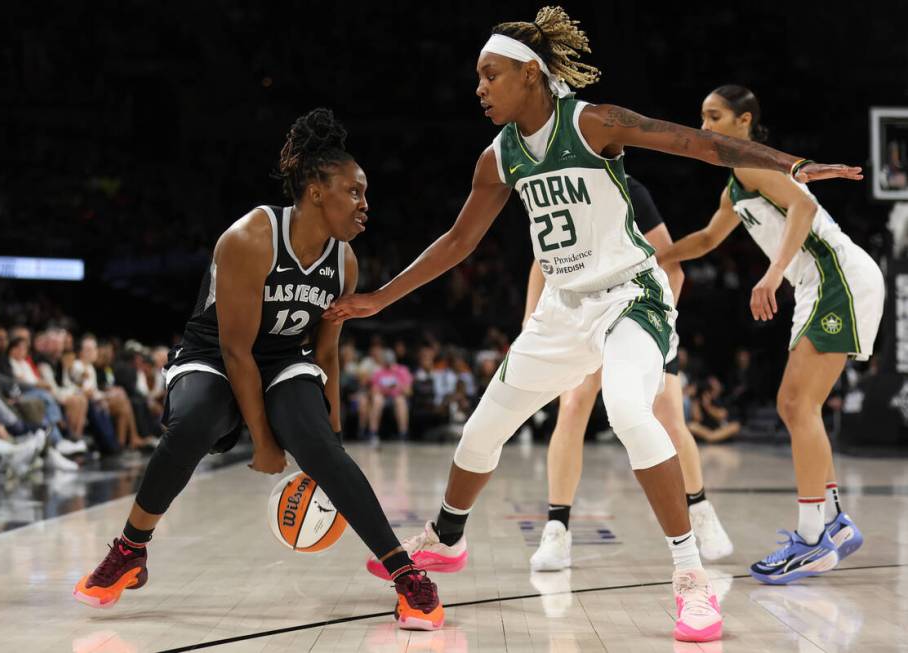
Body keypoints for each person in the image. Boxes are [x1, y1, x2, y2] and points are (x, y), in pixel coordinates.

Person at [326, 7, 859, 642]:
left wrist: (788, 163)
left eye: (490, 75)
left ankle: (691, 582)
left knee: (631, 410)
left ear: (530, 74)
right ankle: (446, 537)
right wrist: (381, 297)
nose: (479, 88)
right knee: (482, 428)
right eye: (478, 78)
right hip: (563, 307)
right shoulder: (496, 158)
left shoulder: (594, 123)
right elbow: (459, 241)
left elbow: (700, 144)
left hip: (630, 296)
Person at [72, 108, 444, 631]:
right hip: (215, 354)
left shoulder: (346, 262)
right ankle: (131, 550)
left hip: (286, 358)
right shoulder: (250, 237)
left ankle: (407, 577)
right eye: (355, 191)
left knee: (321, 447)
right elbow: (236, 350)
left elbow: (327, 353)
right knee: (196, 421)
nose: (366, 205)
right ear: (316, 190)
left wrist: (328, 438)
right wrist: (265, 444)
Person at [655, 84, 882, 585]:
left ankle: (811, 539)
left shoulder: (750, 164)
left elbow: (802, 208)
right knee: (796, 407)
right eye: (701, 117)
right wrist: (653, 258)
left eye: (714, 117)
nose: (704, 128)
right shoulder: (734, 185)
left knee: (798, 406)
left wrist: (773, 272)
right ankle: (833, 523)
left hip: (833, 276)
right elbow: (710, 238)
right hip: (820, 282)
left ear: (744, 122)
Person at [522, 176, 733, 573]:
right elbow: (542, 262)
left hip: (638, 312)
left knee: (669, 417)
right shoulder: (555, 186)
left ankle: (700, 508)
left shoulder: (630, 191)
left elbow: (674, 267)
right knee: (572, 407)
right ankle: (556, 528)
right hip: (585, 316)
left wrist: (657, 327)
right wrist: (528, 322)